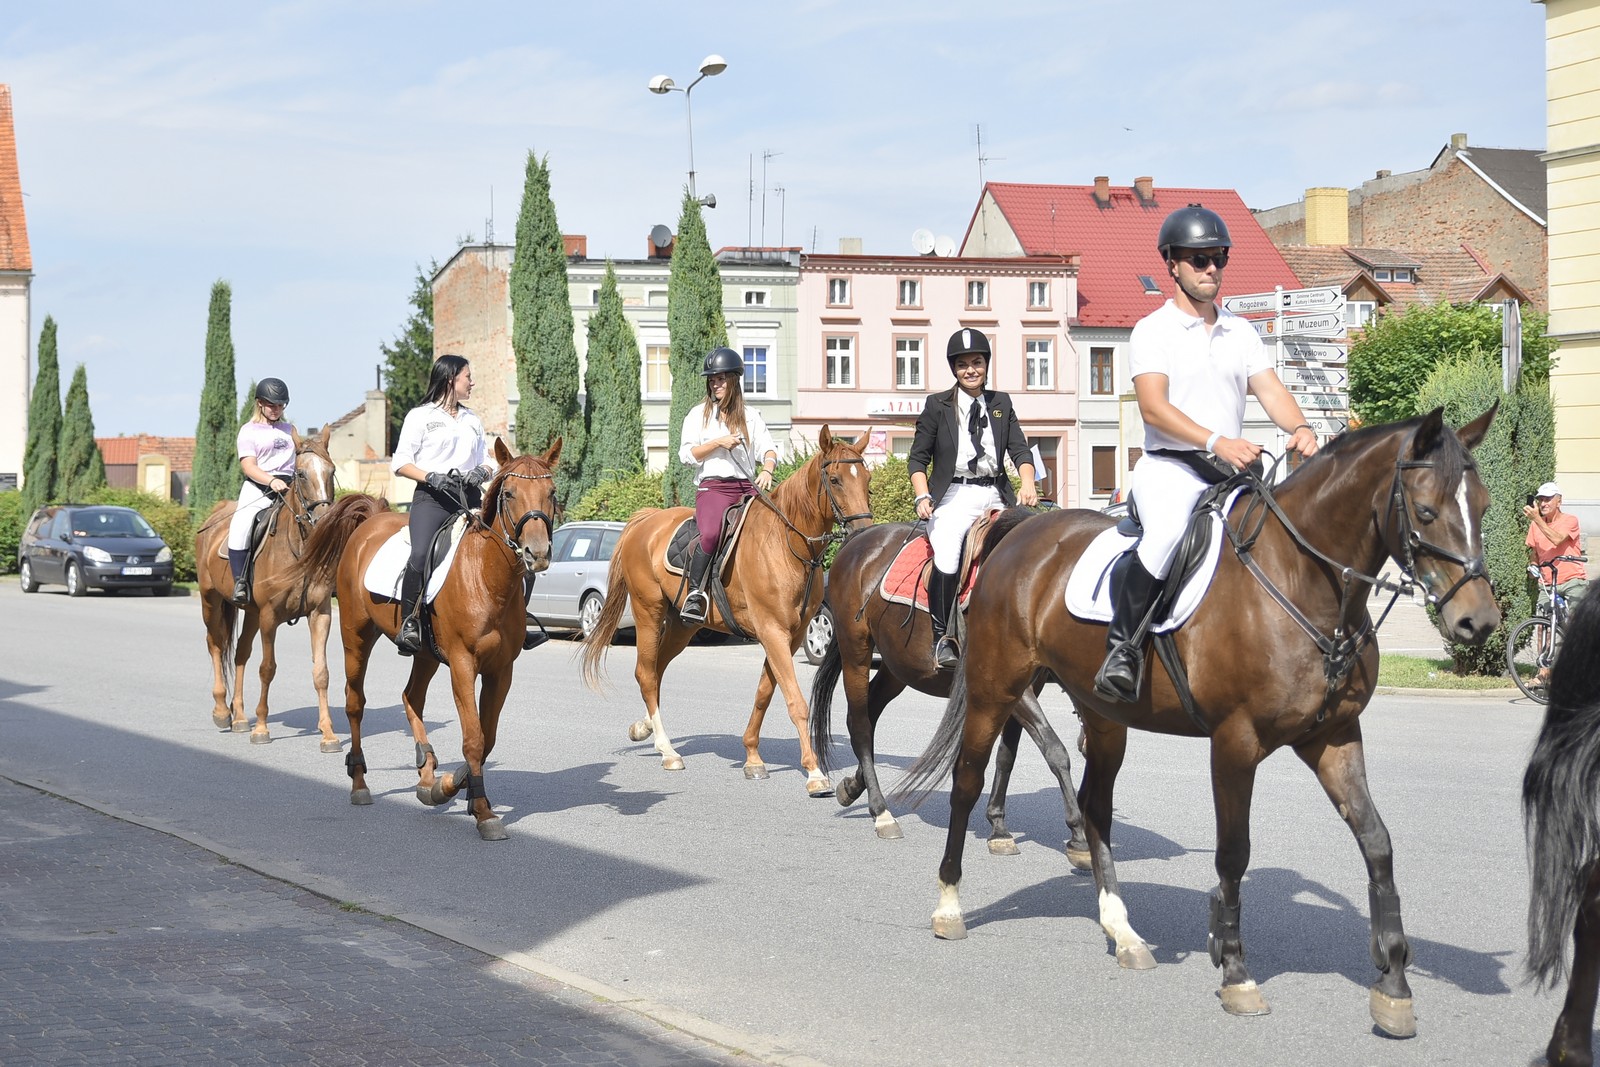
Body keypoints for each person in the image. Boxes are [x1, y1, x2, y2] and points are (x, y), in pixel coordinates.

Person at [1094, 204, 1320, 703]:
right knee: (1167, 536)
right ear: (1171, 263)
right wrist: (1215, 440)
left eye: (1218, 257)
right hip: (1171, 468)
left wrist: (1300, 426)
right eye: (1199, 259)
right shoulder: (1152, 330)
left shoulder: (1240, 331)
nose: (1211, 268)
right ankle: (1122, 650)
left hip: (1231, 472)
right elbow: (1153, 409)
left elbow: (1272, 390)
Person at [908, 328, 1038, 669]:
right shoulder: (937, 405)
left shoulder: (1001, 402)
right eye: (963, 364)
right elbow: (917, 459)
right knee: (949, 553)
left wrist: (1028, 483)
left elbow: (1020, 449)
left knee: (1035, 546)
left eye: (977, 362)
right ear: (954, 368)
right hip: (955, 495)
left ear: (986, 364)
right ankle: (943, 638)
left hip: (996, 492)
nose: (971, 370)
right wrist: (922, 494)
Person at [390, 354, 495, 656]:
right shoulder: (420, 416)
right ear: (450, 379)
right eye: (467, 377)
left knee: (505, 548)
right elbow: (401, 463)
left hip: (469, 498)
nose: (471, 382)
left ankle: (516, 621)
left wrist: (482, 471)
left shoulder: (473, 419)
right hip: (433, 499)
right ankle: (410, 623)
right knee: (421, 554)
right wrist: (431, 477)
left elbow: (488, 459)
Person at [678, 347, 778, 624]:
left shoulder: (752, 416)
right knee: (710, 534)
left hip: (747, 487)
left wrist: (768, 469)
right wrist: (716, 444)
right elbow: (686, 456)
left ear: (734, 380)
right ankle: (695, 594)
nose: (715, 384)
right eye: (712, 380)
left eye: (721, 379)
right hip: (714, 488)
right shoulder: (698, 415)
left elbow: (768, 450)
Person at [227, 377, 296, 607]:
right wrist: (271, 480)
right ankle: (241, 582)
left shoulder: (290, 430)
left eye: (280, 405)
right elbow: (248, 466)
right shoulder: (249, 431)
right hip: (259, 487)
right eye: (271, 405)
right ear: (259, 403)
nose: (276, 410)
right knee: (241, 526)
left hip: (290, 487)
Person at [1525, 481, 1587, 614]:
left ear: (1559, 502)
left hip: (1572, 580)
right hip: (1548, 583)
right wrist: (1533, 565)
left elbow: (1557, 539)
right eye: (1541, 500)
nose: (1543, 504)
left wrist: (1537, 519)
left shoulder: (1570, 520)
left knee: (1577, 623)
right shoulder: (1535, 525)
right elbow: (1535, 552)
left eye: (1548, 499)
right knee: (1542, 624)